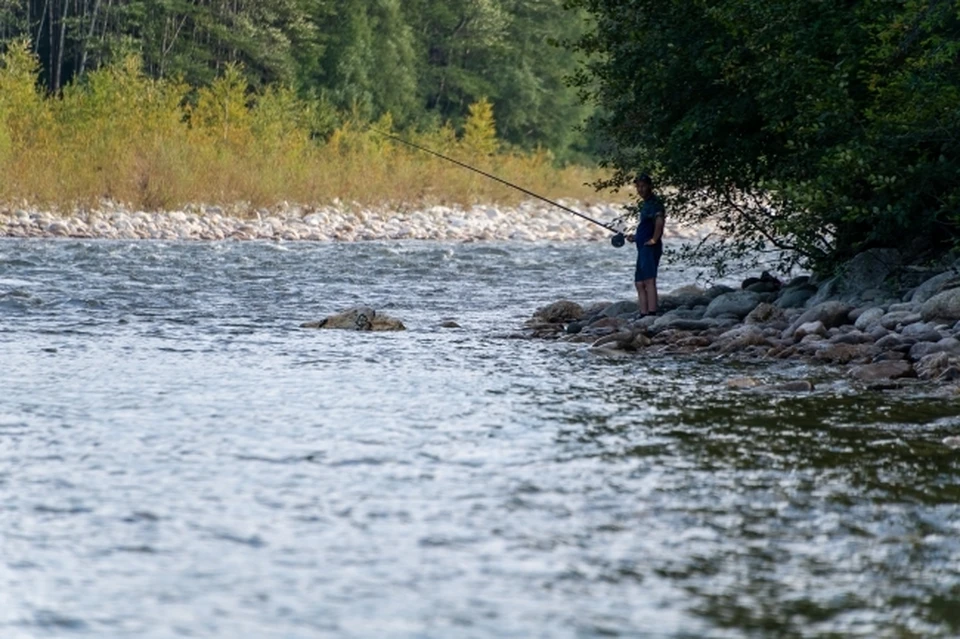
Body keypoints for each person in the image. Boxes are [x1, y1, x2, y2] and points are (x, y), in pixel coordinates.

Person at [627, 173, 665, 316]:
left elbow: (659, 222)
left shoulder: (655, 203)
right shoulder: (646, 204)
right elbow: (646, 227)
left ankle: (652, 313)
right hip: (642, 246)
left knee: (649, 281)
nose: (640, 189)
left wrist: (654, 239)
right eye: (638, 186)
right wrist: (636, 237)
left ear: (650, 186)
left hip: (650, 248)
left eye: (643, 186)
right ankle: (643, 313)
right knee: (639, 283)